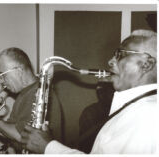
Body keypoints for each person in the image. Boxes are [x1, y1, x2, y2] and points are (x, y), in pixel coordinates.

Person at [20, 29, 157, 154]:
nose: (110, 61)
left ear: (147, 64)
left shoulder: (149, 114)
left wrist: (48, 147)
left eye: (120, 54)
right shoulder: (137, 108)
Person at [0, 47, 64, 153]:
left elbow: (25, 137)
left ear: (18, 71)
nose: (1, 81)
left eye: (2, 75)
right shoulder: (23, 95)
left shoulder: (39, 94)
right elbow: (10, 131)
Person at [78, 81, 114, 153]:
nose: (112, 95)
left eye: (111, 92)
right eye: (100, 92)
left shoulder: (116, 109)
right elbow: (85, 141)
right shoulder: (90, 112)